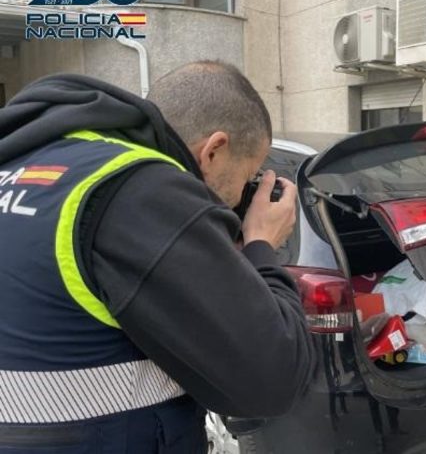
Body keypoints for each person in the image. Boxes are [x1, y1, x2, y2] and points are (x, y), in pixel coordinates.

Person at [0, 61, 314, 452]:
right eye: (248, 176)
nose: (241, 196)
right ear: (214, 150)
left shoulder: (30, 164)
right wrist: (261, 244)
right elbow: (274, 379)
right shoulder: (143, 192)